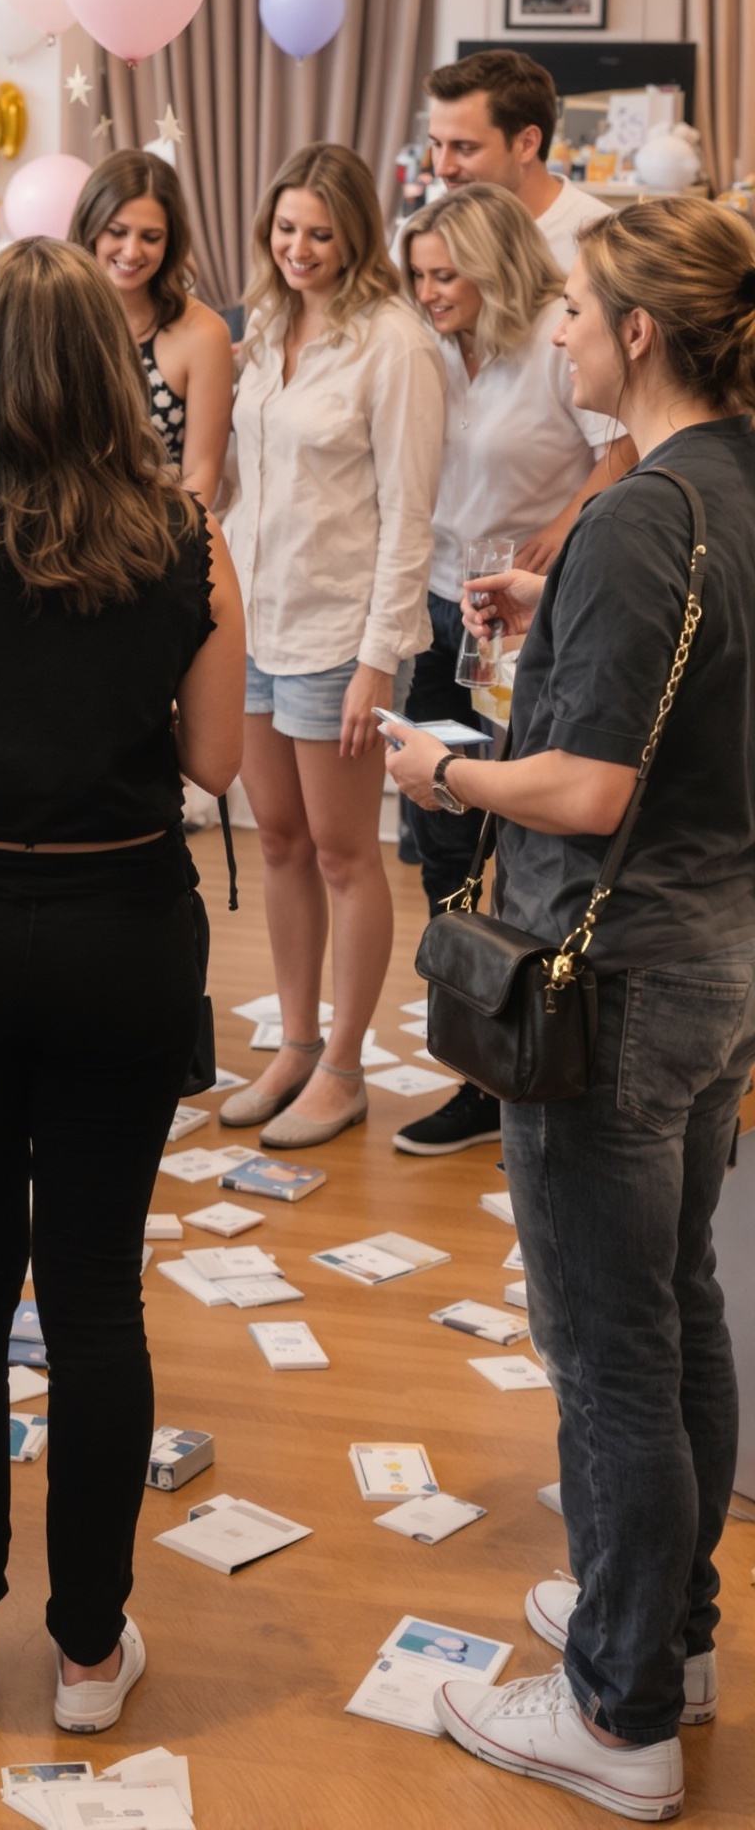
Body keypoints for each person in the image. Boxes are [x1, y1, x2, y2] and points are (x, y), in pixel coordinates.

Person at [384, 197, 755, 1821]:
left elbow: (593, 788)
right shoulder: (729, 491)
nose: (557, 329)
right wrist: (551, 638)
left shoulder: (633, 516)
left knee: (604, 1343)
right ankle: (667, 1635)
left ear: (640, 334)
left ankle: (617, 1717)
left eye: (579, 309)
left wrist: (444, 762)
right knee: (675, 1306)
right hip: (722, 955)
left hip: (608, 977)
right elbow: (682, 707)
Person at [0, 239, 244, 1733]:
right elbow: (214, 762)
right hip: (120, 932)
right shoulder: (185, 537)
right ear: (108, 372)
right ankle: (87, 1655)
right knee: (91, 1291)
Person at [393, 182, 631, 1157]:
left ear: (494, 266)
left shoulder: (551, 344)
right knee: (442, 839)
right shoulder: (431, 348)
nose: (431, 291)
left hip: (525, 619)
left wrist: (556, 533)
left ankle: (519, 1053)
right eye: (419, 277)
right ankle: (476, 1049)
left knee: (513, 843)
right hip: (446, 612)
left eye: (446, 275)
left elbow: (618, 456)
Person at [221, 142, 443, 1148]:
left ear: (356, 232)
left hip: (337, 630)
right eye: (285, 228)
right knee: (276, 839)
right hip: (257, 622)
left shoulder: (393, 340)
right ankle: (297, 1039)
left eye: (320, 231)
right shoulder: (264, 324)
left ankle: (347, 1065)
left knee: (349, 853)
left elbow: (409, 515)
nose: (299, 247)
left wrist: (378, 657)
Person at [68, 150, 236, 506]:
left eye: (151, 237)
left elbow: (202, 477)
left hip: (157, 540)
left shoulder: (203, 333)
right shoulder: (56, 315)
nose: (131, 251)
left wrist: (164, 552)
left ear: (171, 241)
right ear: (90, 227)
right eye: (117, 231)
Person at [418, 48, 610, 267]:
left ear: (526, 144)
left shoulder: (603, 245)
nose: (443, 168)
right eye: (436, 144)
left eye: (465, 147)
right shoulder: (423, 234)